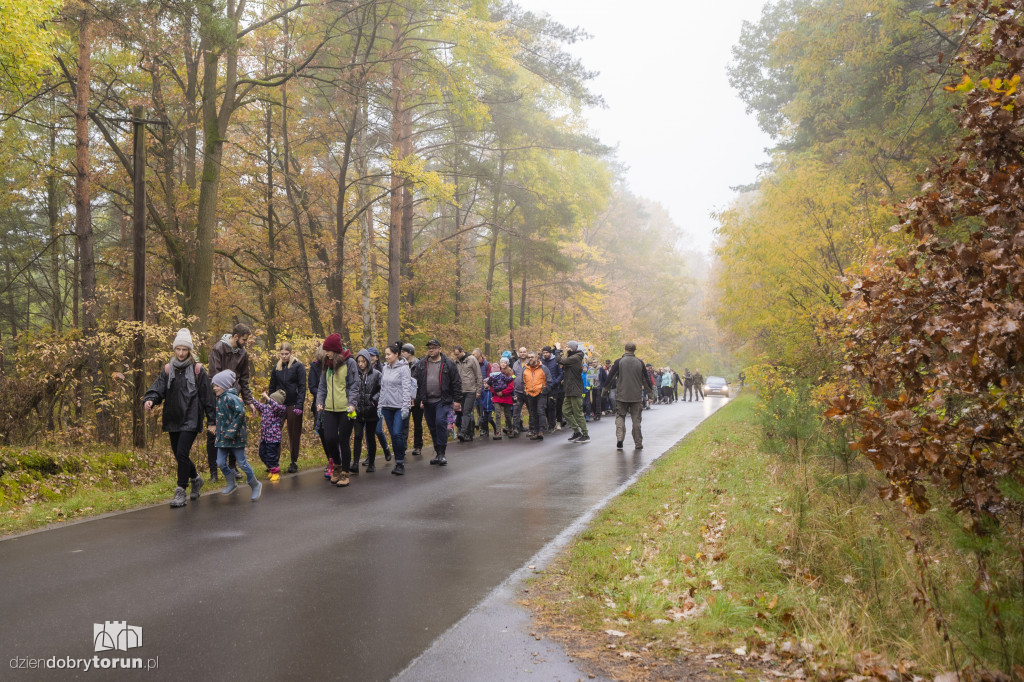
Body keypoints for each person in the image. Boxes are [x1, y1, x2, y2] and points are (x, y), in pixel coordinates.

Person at [143, 328, 216, 508]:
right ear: (174, 350)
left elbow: (208, 398)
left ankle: (180, 491)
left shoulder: (198, 370)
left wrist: (212, 422)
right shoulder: (169, 369)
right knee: (179, 455)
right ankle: (196, 479)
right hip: (173, 416)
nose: (181, 353)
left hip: (191, 417)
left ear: (189, 351)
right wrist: (150, 399)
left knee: (182, 453)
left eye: (185, 350)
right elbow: (158, 387)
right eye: (178, 349)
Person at [205, 323, 254, 480]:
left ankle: (233, 467)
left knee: (235, 431)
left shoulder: (243, 353)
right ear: (236, 337)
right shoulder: (218, 349)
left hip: (235, 397)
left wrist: (249, 401)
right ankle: (214, 472)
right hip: (217, 396)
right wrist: (223, 393)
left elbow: (244, 379)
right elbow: (214, 374)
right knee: (214, 433)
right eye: (244, 340)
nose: (246, 343)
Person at [211, 369, 262, 501]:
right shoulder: (219, 399)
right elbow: (221, 417)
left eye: (217, 385)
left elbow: (240, 415)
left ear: (225, 385)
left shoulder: (233, 398)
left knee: (242, 463)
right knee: (220, 462)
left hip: (236, 437)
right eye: (214, 386)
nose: (214, 388)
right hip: (222, 438)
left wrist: (231, 432)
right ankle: (231, 483)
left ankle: (255, 484)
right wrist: (217, 429)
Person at [315, 333, 357, 487]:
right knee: (330, 438)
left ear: (335, 349)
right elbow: (322, 386)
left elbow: (354, 385)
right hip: (329, 408)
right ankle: (337, 467)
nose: (326, 353)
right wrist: (319, 402)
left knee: (344, 440)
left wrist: (352, 403)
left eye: (328, 350)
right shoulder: (327, 364)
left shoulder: (350, 362)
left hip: (346, 409)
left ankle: (345, 472)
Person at [412, 339, 462, 466]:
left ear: (440, 349)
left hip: (442, 400)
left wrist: (457, 401)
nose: (431, 349)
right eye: (429, 347)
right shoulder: (422, 364)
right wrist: (420, 399)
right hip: (428, 401)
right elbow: (416, 383)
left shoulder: (448, 364)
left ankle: (442, 453)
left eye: (434, 347)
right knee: (432, 426)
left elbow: (456, 382)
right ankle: (437, 451)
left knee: (440, 423)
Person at [604, 342, 653, 450]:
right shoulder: (640, 363)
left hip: (622, 396)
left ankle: (620, 438)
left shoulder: (619, 362)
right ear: (634, 350)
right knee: (636, 420)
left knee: (620, 416)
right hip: (636, 396)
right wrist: (650, 395)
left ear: (625, 349)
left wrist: (604, 391)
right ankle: (638, 443)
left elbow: (610, 378)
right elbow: (646, 380)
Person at [268, 341, 306, 473]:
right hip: (279, 404)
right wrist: (270, 402)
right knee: (274, 433)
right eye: (282, 354)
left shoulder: (298, 367)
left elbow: (302, 387)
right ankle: (273, 462)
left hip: (293, 404)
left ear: (291, 353)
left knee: (293, 433)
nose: (284, 356)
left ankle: (293, 461)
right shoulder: (276, 368)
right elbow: (272, 387)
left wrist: (300, 405)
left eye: (286, 354)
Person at [378, 341, 415, 475]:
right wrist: (380, 405)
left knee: (397, 433)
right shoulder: (385, 368)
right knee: (393, 435)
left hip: (399, 407)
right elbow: (383, 388)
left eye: (388, 354)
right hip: (387, 407)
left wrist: (405, 407)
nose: (386, 357)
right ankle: (398, 459)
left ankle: (400, 462)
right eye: (385, 354)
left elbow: (406, 389)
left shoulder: (404, 368)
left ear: (396, 354)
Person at [350, 350, 382, 472]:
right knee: (357, 436)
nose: (361, 364)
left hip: (371, 410)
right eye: (359, 361)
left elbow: (382, 389)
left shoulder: (377, 374)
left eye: (363, 361)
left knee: (370, 437)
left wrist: (374, 400)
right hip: (357, 411)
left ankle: (372, 463)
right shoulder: (354, 374)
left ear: (368, 361)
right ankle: (355, 463)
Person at [307, 344, 335, 479]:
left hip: (334, 404)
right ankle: (330, 459)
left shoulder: (334, 365)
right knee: (323, 435)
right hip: (320, 406)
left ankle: (337, 460)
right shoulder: (314, 367)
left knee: (333, 434)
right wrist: (322, 397)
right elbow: (312, 386)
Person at [253, 390, 290, 482]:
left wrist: (267, 397)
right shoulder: (266, 408)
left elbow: (276, 406)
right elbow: (258, 405)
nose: (269, 401)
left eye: (272, 400)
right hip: (265, 438)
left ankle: (275, 472)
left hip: (273, 439)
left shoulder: (280, 409)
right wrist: (250, 397)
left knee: (271, 456)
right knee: (262, 454)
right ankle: (271, 468)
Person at [364, 348, 393, 464]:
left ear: (376, 357)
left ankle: (386, 448)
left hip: (378, 404)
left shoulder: (383, 370)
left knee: (377, 430)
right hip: (366, 406)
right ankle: (369, 456)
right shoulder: (363, 369)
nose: (370, 357)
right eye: (368, 355)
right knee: (367, 431)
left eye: (372, 355)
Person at [557, 341, 590, 443]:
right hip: (569, 390)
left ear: (572, 348)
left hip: (575, 390)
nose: (566, 348)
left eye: (567, 347)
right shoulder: (571, 357)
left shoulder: (576, 358)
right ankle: (576, 432)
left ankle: (585, 434)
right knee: (565, 411)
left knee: (578, 413)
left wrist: (558, 349)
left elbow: (559, 360)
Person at [454, 345, 482, 442]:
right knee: (465, 413)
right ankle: (470, 434)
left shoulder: (472, 359)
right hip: (461, 390)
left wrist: (478, 390)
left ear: (462, 351)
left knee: (466, 411)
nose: (456, 356)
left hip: (471, 390)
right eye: (455, 355)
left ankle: (463, 432)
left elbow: (478, 375)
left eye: (458, 354)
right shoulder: (457, 362)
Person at [402, 343, 425, 456]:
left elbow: (422, 383)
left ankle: (418, 446)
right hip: (405, 398)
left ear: (410, 352)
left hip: (417, 398)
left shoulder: (419, 364)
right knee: (404, 423)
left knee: (417, 423)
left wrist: (422, 399)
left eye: (404, 352)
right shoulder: (401, 365)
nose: (401, 354)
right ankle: (403, 447)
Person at [486, 357, 516, 439]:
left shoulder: (509, 373)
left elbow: (511, 386)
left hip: (506, 396)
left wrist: (502, 392)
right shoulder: (494, 373)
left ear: (507, 364)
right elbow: (491, 385)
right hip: (497, 397)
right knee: (498, 414)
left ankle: (510, 429)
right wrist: (496, 392)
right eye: (501, 362)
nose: (503, 364)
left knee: (507, 415)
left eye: (505, 362)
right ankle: (498, 431)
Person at [523, 352, 547, 440]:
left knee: (540, 411)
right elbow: (522, 381)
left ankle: (541, 431)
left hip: (540, 393)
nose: (530, 359)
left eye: (532, 357)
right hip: (529, 394)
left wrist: (544, 390)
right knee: (533, 413)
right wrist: (525, 390)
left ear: (536, 358)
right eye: (529, 357)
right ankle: (536, 432)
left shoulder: (543, 368)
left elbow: (549, 380)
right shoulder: (525, 369)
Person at [541, 346, 563, 431]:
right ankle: (548, 422)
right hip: (543, 387)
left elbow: (560, 374)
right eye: (544, 353)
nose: (545, 354)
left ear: (550, 353)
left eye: (547, 352)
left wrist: (555, 383)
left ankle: (552, 424)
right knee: (544, 406)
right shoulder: (541, 361)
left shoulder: (555, 361)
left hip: (553, 387)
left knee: (552, 405)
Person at [511, 346, 530, 434]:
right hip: (517, 391)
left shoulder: (530, 362)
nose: (522, 353)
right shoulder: (515, 364)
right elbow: (513, 376)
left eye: (524, 352)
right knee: (516, 411)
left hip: (528, 391)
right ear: (519, 353)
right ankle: (516, 428)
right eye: (521, 352)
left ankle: (532, 428)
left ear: (527, 353)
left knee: (531, 410)